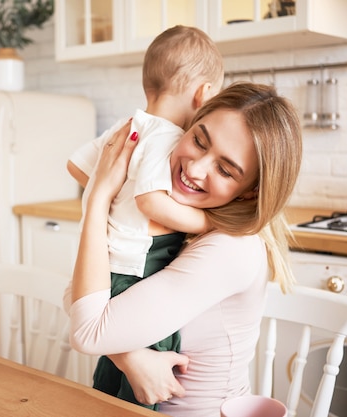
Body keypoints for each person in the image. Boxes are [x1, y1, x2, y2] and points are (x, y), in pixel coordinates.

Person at [65, 82, 303, 417]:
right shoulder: (177, 221)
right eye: (198, 141)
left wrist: (99, 197)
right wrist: (134, 358)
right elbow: (81, 300)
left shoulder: (231, 248)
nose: (194, 169)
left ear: (250, 192)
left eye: (224, 169)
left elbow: (87, 327)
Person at [66, 25, 224, 408]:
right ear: (203, 93)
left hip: (106, 263)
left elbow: (76, 167)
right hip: (138, 268)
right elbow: (151, 203)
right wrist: (208, 222)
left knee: (111, 366)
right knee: (148, 369)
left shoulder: (127, 126)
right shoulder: (169, 137)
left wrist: (110, 193)